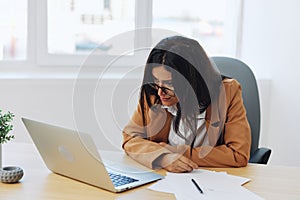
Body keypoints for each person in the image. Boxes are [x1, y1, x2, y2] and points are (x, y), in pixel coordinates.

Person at [122, 35, 251, 173]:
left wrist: (177, 152)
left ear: (192, 80)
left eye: (170, 83)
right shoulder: (153, 94)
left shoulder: (228, 92)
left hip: (211, 178)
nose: (160, 92)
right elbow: (130, 139)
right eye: (155, 81)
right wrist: (163, 158)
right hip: (165, 177)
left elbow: (238, 154)